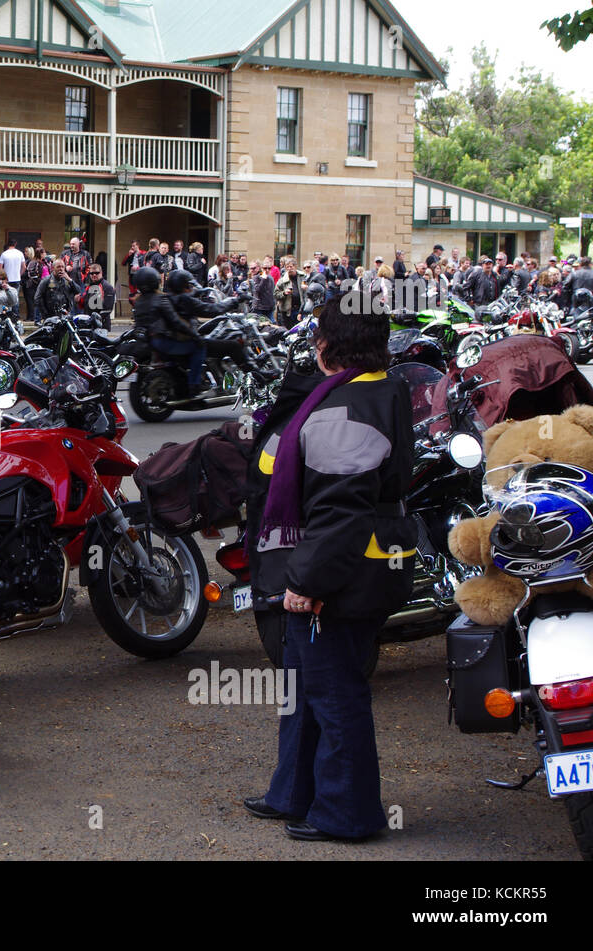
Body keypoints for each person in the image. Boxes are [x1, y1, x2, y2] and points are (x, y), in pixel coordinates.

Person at [243, 296, 415, 842]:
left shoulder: (347, 407)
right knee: (305, 688)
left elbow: (340, 510)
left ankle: (347, 814)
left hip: (339, 575)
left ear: (325, 346)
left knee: (335, 694)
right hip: (357, 562)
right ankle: (294, 792)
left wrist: (308, 583)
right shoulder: (376, 387)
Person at [132, 266, 205, 396]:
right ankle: (195, 384)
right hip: (162, 341)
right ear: (155, 281)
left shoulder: (138, 301)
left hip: (148, 342)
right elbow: (176, 320)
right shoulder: (160, 299)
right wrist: (194, 335)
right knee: (199, 347)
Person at [76, 262, 116, 330]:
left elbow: (108, 308)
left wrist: (96, 320)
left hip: (101, 325)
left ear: (101, 273)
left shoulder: (107, 287)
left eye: (96, 273)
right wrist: (79, 300)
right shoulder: (89, 287)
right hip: (90, 324)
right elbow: (85, 305)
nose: (94, 275)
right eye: (91, 273)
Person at [274, 260, 306, 328]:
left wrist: (307, 288)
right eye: (287, 267)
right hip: (288, 311)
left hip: (301, 309)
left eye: (291, 267)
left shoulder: (303, 277)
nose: (289, 269)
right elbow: (275, 294)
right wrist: (284, 293)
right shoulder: (282, 280)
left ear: (295, 267)